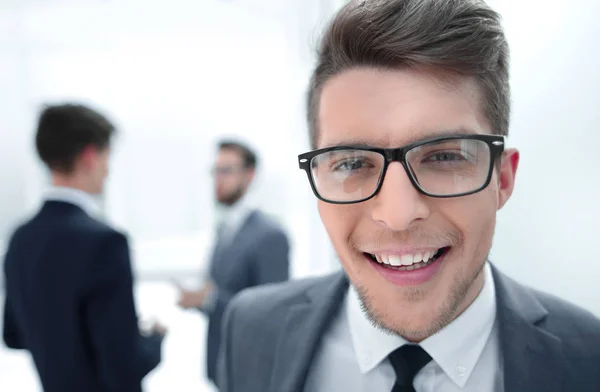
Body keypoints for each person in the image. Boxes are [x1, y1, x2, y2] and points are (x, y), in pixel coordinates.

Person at [217, 1, 600, 391]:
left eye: (445, 156)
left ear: (501, 179)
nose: (398, 214)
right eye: (350, 164)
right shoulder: (249, 330)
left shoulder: (590, 356)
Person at [2, 103, 166, 392]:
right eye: (106, 157)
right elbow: (123, 366)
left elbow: (13, 334)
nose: (108, 169)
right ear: (90, 156)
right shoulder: (104, 242)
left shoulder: (20, 240)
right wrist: (153, 340)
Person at [175, 140, 290, 387]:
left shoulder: (270, 235)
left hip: (251, 371)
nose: (218, 179)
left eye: (226, 170)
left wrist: (209, 299)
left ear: (249, 175)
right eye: (215, 171)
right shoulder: (223, 229)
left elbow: (271, 311)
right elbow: (221, 291)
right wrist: (198, 298)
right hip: (221, 365)